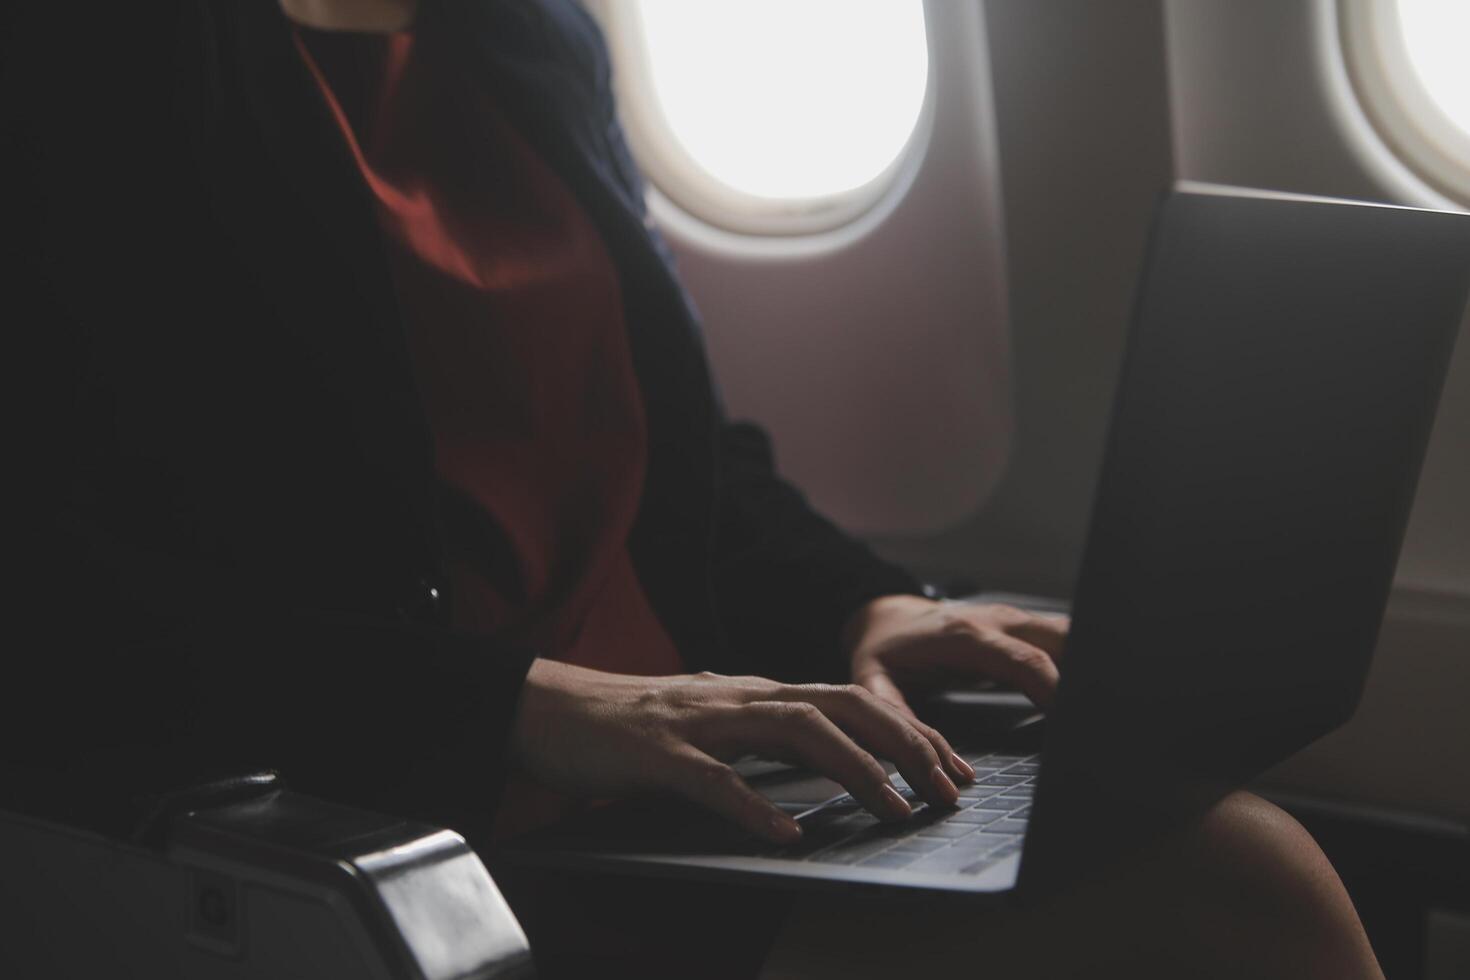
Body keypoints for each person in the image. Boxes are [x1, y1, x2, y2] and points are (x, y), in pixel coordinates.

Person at [2, 1, 1383, 976]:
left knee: (1246, 857)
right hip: (416, 825)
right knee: (1219, 901)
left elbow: (669, 451)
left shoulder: (528, 37)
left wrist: (867, 604)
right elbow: (57, 589)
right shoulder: (81, 61)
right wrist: (523, 705)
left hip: (685, 774)